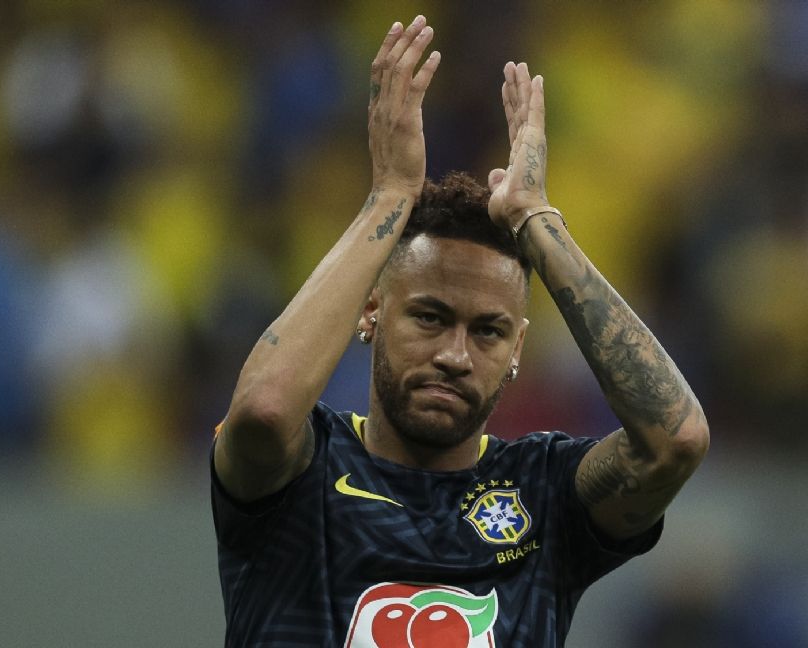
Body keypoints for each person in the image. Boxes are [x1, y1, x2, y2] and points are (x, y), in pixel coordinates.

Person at [211, 15, 709, 647]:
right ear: (371, 312)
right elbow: (261, 410)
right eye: (430, 317)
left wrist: (536, 219)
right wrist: (390, 196)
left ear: (518, 348)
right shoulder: (303, 468)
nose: (454, 355)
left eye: (488, 331)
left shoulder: (544, 493)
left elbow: (675, 439)